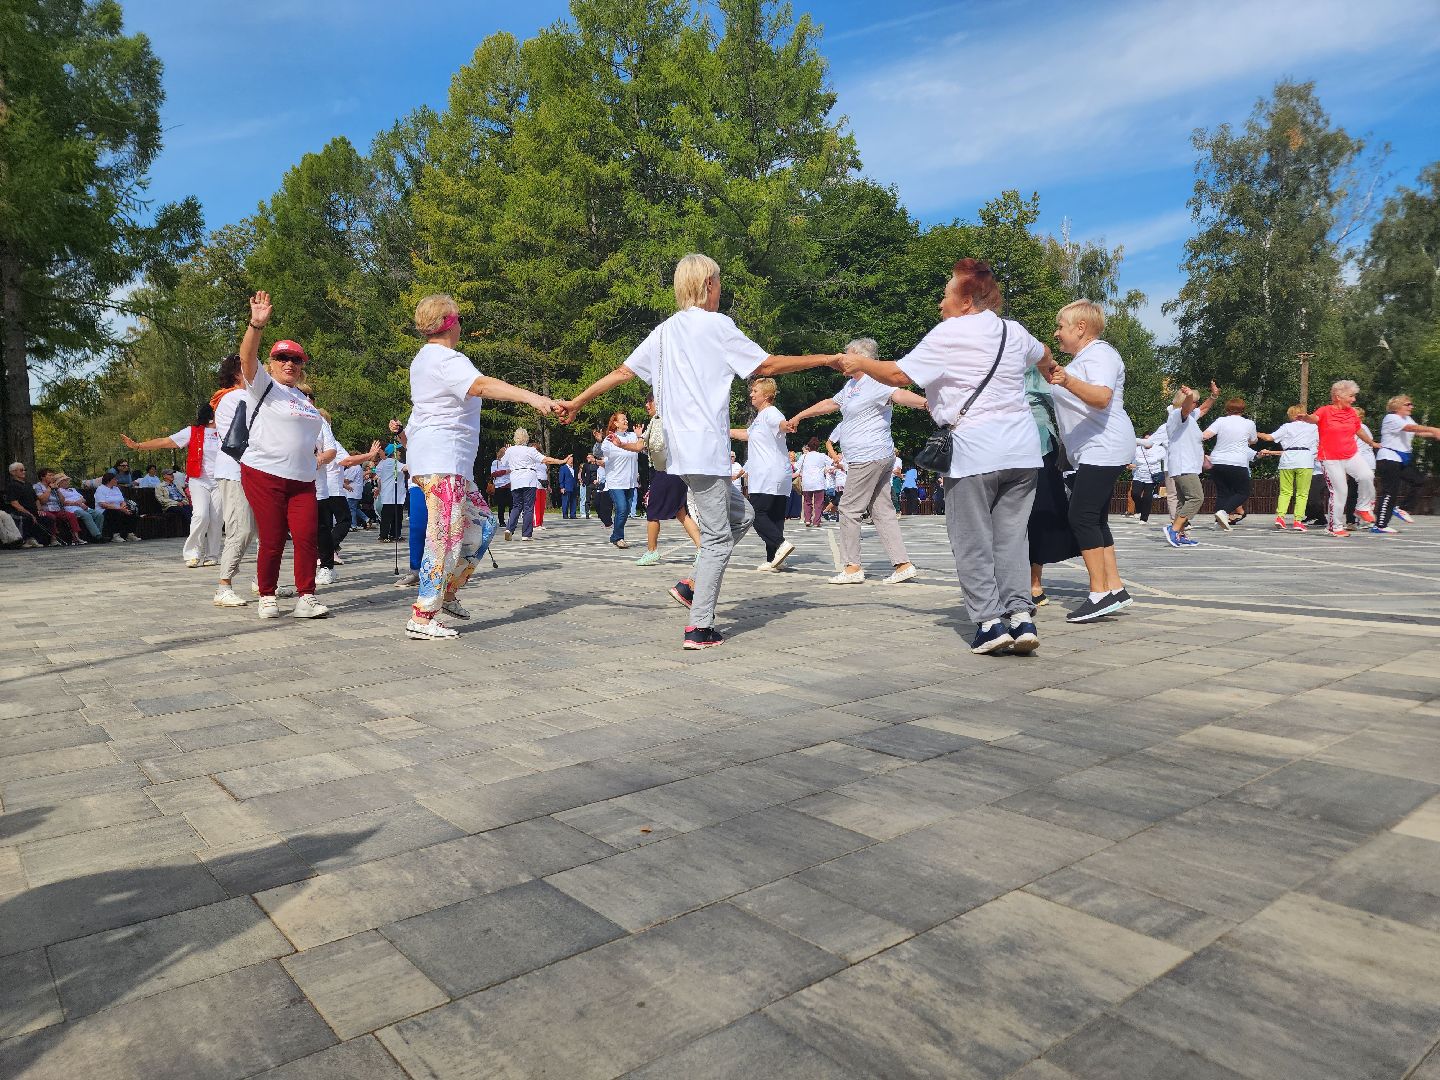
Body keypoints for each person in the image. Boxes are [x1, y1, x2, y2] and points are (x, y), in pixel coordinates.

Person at [557, 252, 841, 650]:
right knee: (717, 539)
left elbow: (622, 373)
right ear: (709, 283)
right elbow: (769, 365)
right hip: (705, 450)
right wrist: (826, 359)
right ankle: (699, 627)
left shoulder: (664, 331)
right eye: (719, 282)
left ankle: (692, 586)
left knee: (743, 515)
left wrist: (577, 401)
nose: (721, 290)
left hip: (678, 453)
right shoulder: (717, 326)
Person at [838, 258, 1047, 655]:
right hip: (1022, 452)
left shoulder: (949, 333)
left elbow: (900, 376)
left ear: (967, 300)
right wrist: (1055, 373)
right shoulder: (1014, 331)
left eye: (946, 293)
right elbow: (1045, 354)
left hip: (975, 451)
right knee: (1012, 537)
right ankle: (1020, 618)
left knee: (971, 540)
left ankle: (989, 623)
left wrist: (860, 363)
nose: (939, 303)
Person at [405, 294, 557, 639]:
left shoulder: (431, 358)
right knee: (444, 533)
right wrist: (534, 397)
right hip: (441, 460)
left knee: (484, 525)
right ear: (449, 323)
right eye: (458, 319)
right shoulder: (444, 358)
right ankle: (422, 615)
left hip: (450, 462)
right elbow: (483, 385)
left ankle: (445, 593)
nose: (461, 326)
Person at [783, 338, 922, 585]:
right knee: (882, 510)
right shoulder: (851, 386)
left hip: (869, 456)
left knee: (848, 509)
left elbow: (898, 394)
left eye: (846, 355)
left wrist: (924, 403)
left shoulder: (876, 380)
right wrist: (801, 415)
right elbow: (830, 404)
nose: (842, 360)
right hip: (875, 456)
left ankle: (852, 567)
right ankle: (902, 565)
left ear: (860, 357)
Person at [237, 291, 332, 619]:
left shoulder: (306, 401)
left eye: (296, 360)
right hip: (264, 473)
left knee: (307, 537)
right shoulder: (263, 385)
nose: (289, 364)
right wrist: (256, 325)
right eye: (282, 358)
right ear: (272, 364)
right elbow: (247, 357)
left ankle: (306, 597)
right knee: (274, 537)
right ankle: (267, 595)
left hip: (303, 479)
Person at [1046, 300, 1137, 622]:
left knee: (1081, 517)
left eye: (1061, 326)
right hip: (1094, 450)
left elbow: (1101, 397)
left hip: (1105, 445)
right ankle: (1114, 588)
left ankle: (1099, 594)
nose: (1057, 333)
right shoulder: (1084, 359)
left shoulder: (1100, 354)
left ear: (1080, 328)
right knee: (1095, 519)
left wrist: (1066, 380)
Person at [123, 404, 222, 567]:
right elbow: (165, 441)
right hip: (199, 480)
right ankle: (192, 553)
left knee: (217, 518)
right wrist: (138, 446)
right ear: (211, 416)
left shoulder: (227, 431)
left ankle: (212, 555)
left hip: (220, 480)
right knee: (201, 515)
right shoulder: (193, 431)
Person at [1022, 366, 1079, 607]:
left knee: (1038, 513)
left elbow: (1063, 402)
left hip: (1039, 446)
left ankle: (1034, 581)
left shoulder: (1034, 370)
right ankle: (1008, 581)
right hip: (999, 448)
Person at [1296, 380, 1377, 538]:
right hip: (1330, 458)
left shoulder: (1352, 413)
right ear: (1338, 396)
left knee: (1367, 475)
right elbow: (1315, 419)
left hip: (1351, 454)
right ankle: (1335, 526)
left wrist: (1371, 442)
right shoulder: (1325, 410)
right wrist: (1306, 417)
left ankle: (1363, 508)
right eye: (1351, 396)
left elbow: (1358, 429)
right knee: (1340, 491)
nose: (1354, 400)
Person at [210, 354, 259, 607]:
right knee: (241, 529)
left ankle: (262, 580)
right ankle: (223, 585)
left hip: (253, 470)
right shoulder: (235, 397)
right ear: (238, 373)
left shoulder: (241, 397)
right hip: (235, 470)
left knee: (264, 530)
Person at [730, 377, 794, 571]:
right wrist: (722, 430)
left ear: (766, 396)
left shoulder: (770, 413)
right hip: (778, 473)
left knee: (756, 513)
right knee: (774, 516)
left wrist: (787, 426)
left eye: (755, 391)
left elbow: (781, 424)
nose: (751, 394)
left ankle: (780, 543)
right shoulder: (759, 419)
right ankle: (774, 559)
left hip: (768, 473)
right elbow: (746, 435)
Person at [637, 391, 702, 567]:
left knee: (652, 513)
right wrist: (621, 444)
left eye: (650, 401)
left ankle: (651, 551)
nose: (647, 405)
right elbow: (640, 445)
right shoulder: (658, 420)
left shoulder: (663, 420)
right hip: (674, 471)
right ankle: (701, 548)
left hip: (666, 471)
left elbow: (649, 446)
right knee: (681, 512)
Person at [1163, 381, 1219, 547]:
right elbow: (1186, 408)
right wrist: (1189, 396)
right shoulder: (1177, 415)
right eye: (1195, 401)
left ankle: (1179, 534)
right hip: (1183, 465)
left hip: (1185, 466)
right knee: (1196, 497)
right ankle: (1173, 529)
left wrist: (1214, 396)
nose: (1196, 405)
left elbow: (1203, 409)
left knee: (1183, 501)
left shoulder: (1190, 418)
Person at [1374, 395, 1439, 532]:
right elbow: (1410, 428)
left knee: (1419, 481)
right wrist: (1433, 429)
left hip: (1401, 460)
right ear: (1397, 406)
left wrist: (1434, 434)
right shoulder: (1391, 418)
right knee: (1390, 492)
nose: (1411, 407)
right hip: (1389, 458)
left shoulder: (1406, 418)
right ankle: (1380, 525)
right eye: (1408, 404)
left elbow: (1419, 432)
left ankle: (1402, 508)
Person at [501, 428, 569, 541]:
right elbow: (546, 460)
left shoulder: (510, 450)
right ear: (526, 438)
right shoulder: (530, 450)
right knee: (528, 507)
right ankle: (526, 534)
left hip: (516, 478)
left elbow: (503, 462)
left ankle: (509, 528)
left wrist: (508, 451)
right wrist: (561, 461)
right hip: (528, 478)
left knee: (516, 506)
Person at [1201, 397, 1258, 530]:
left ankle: (1218, 522)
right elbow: (1254, 440)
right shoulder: (1249, 423)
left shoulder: (1221, 421)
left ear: (1227, 409)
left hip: (1217, 461)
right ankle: (1224, 512)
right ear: (1243, 410)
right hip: (1237, 462)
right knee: (1243, 492)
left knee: (1223, 493)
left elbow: (1205, 435)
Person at [1261, 405, 1319, 530]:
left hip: (1287, 459)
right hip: (1305, 459)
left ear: (1291, 415)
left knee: (1285, 491)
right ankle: (1298, 520)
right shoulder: (1313, 428)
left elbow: (1268, 438)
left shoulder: (1286, 427)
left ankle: (1280, 517)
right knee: (1302, 493)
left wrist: (1254, 433)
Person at [598, 412, 643, 548]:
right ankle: (618, 537)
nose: (626, 421)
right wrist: (604, 440)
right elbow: (604, 451)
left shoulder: (632, 436)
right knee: (622, 508)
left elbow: (641, 447)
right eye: (623, 419)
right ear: (615, 423)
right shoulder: (610, 439)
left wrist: (640, 435)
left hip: (630, 481)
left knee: (626, 510)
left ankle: (615, 536)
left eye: (626, 419)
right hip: (616, 481)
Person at [32, 468, 83, 544]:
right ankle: (53, 539)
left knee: (71, 515)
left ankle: (76, 538)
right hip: (45, 510)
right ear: (42, 477)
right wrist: (49, 488)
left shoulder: (54, 487)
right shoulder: (37, 486)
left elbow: (62, 501)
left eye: (53, 475)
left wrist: (58, 490)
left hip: (57, 510)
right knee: (52, 517)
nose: (52, 477)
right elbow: (43, 500)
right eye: (50, 475)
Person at [93, 471, 141, 542]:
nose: (117, 481)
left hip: (119, 508)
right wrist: (120, 508)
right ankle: (115, 535)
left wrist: (124, 507)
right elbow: (103, 505)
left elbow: (122, 501)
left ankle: (130, 534)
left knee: (132, 510)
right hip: (104, 511)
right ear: (109, 480)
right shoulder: (100, 489)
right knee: (115, 512)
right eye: (115, 479)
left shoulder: (116, 488)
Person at [56, 473, 104, 540]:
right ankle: (98, 536)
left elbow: (83, 499)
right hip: (72, 509)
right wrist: (76, 503)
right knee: (86, 515)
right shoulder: (59, 491)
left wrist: (80, 502)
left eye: (67, 480)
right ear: (59, 482)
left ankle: (97, 536)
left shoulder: (73, 489)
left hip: (82, 506)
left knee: (99, 515)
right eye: (65, 480)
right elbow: (62, 502)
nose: (67, 482)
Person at [375, 447, 408, 542]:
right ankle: (384, 535)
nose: (400, 453)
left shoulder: (383, 463)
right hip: (392, 494)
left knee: (395, 516)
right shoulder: (391, 461)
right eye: (398, 451)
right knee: (391, 516)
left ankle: (394, 535)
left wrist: (379, 489)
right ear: (393, 453)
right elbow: (406, 468)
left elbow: (380, 478)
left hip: (391, 494)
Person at [797, 438, 828, 527]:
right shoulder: (822, 456)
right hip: (818, 482)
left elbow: (797, 466)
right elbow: (831, 463)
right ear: (818, 447)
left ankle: (807, 520)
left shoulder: (804, 456)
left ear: (809, 447)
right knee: (818, 502)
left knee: (807, 501)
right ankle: (816, 521)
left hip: (807, 482)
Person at [488, 452, 512, 524]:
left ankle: (511, 522)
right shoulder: (496, 462)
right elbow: (493, 474)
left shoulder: (510, 462)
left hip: (510, 485)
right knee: (501, 505)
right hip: (499, 486)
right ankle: (501, 521)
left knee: (512, 504)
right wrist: (505, 471)